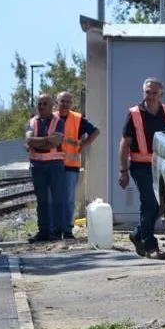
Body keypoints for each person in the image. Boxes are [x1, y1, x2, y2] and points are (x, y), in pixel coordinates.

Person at [118, 77, 165, 257]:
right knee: (149, 202)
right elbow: (124, 144)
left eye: (154, 93)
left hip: (162, 166)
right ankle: (151, 247)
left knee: (161, 204)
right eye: (147, 92)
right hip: (140, 167)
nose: (150, 96)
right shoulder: (134, 113)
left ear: (161, 94)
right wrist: (123, 171)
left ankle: (138, 234)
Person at [55, 91, 100, 239]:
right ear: (57, 102)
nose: (65, 104)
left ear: (71, 103)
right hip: (53, 165)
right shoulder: (52, 118)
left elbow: (95, 132)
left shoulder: (77, 119)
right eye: (62, 101)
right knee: (54, 199)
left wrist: (84, 145)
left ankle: (67, 229)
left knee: (68, 199)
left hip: (70, 165)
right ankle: (54, 229)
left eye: (68, 101)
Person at [24, 93, 67, 243]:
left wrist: (38, 142)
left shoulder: (59, 122)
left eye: (44, 104)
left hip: (55, 165)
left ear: (51, 106)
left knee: (57, 199)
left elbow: (54, 143)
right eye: (39, 103)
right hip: (37, 166)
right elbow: (29, 140)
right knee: (41, 200)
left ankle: (57, 232)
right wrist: (46, 140)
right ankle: (43, 231)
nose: (41, 106)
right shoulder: (32, 122)